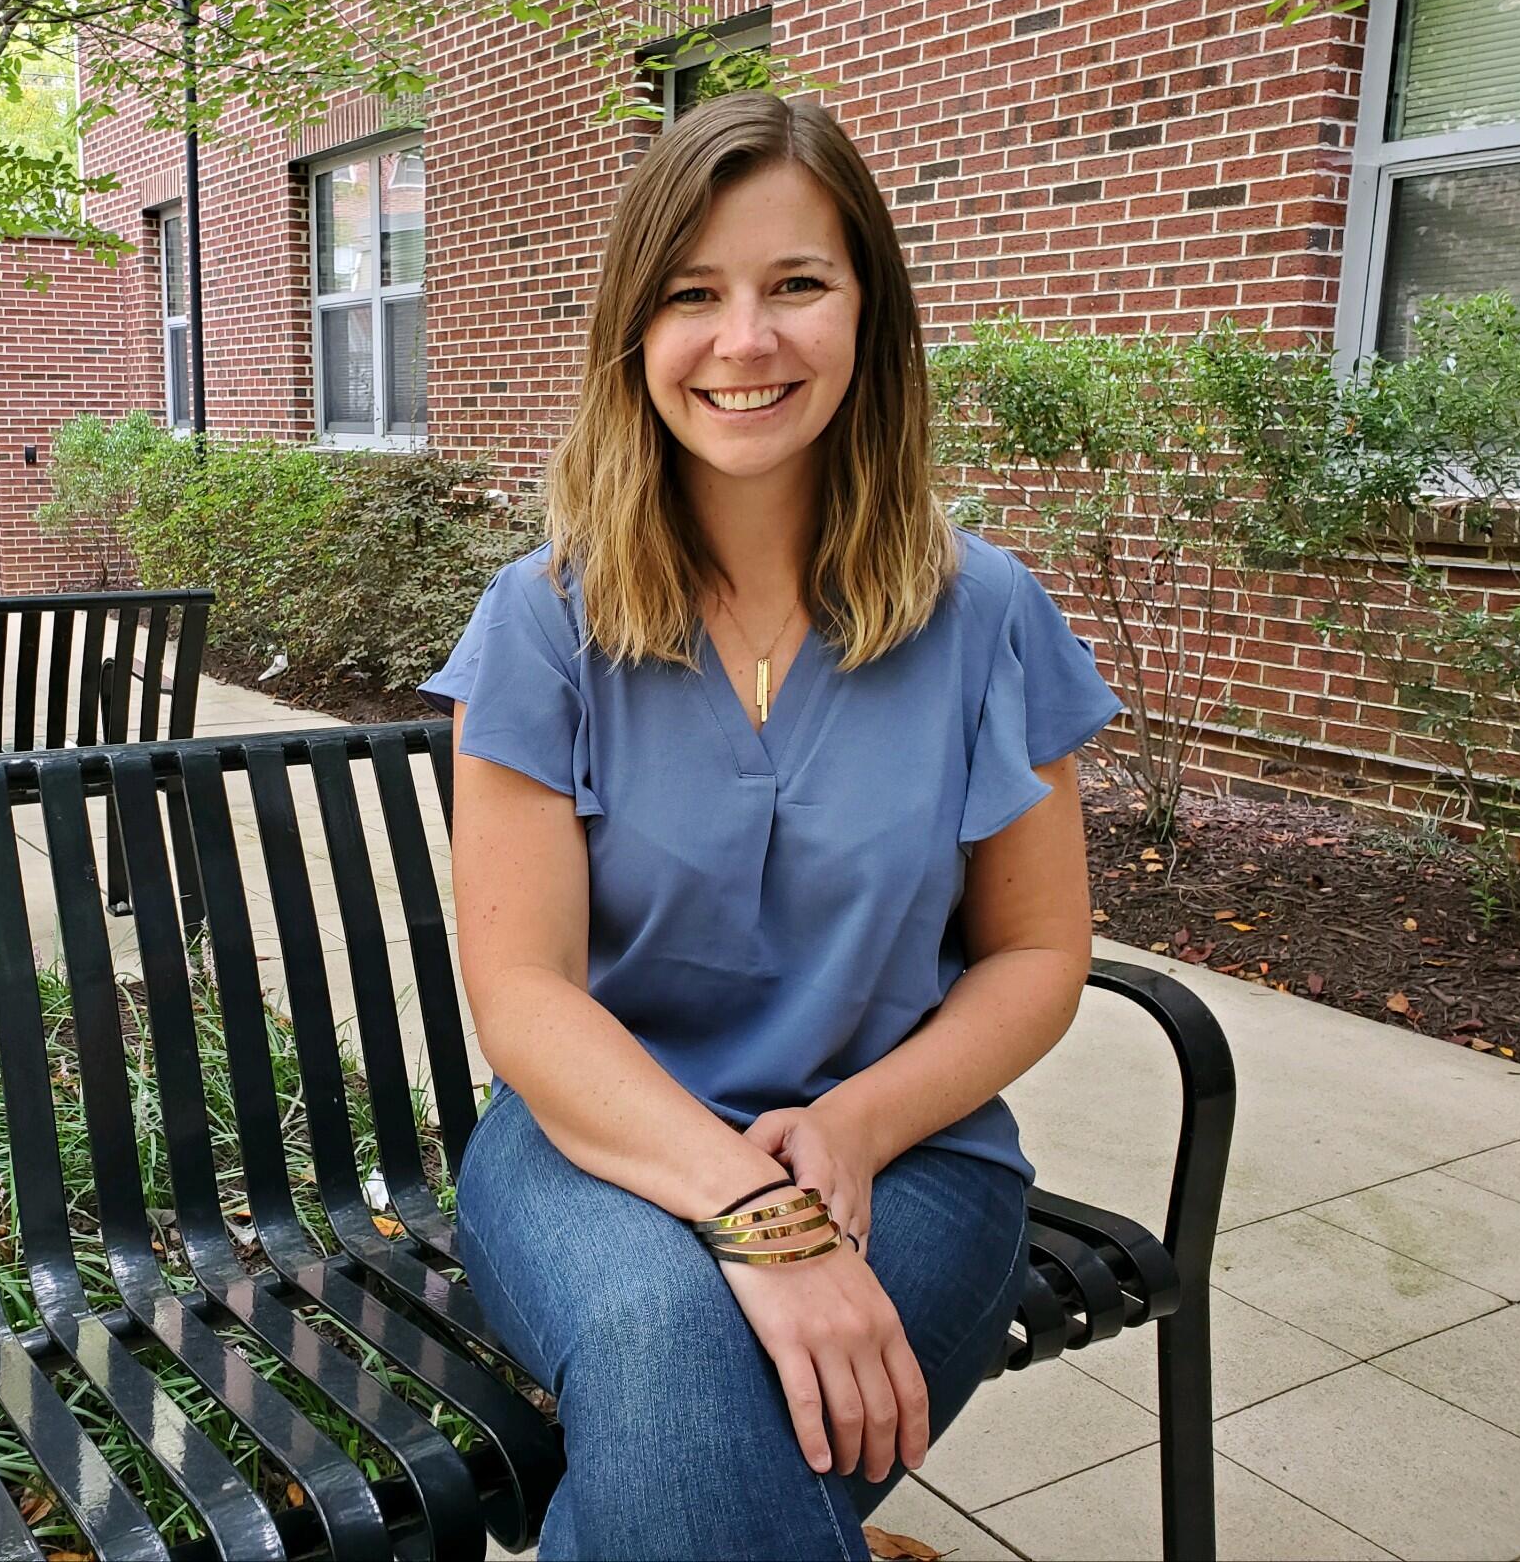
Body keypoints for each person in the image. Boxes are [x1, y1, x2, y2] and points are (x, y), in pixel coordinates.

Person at [415, 89, 1125, 1562]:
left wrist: (854, 1133)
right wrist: (759, 1216)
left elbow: (1038, 956)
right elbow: (524, 994)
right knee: (685, 1355)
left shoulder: (985, 614)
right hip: (586, 1147)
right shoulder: (543, 621)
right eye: (692, 296)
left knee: (691, 1431)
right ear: (636, 333)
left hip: (909, 1152)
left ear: (870, 313)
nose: (746, 342)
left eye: (796, 283)